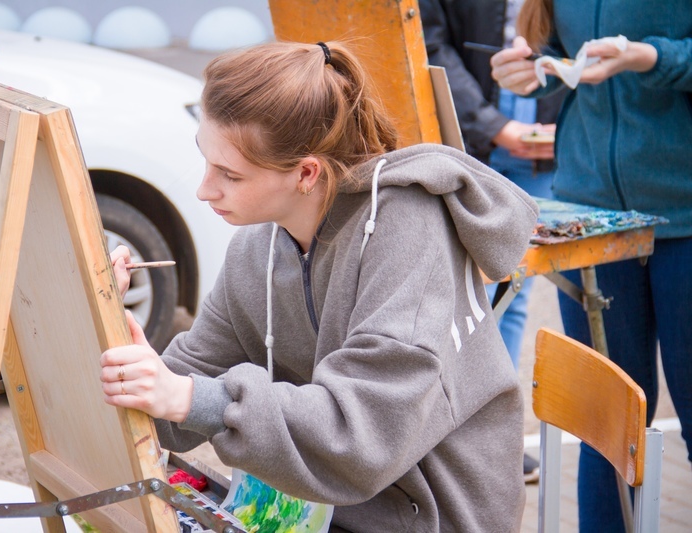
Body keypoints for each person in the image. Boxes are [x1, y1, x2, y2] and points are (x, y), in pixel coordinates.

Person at [100, 40, 538, 531]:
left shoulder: (406, 230)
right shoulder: (258, 246)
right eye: (206, 161)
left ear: (306, 172)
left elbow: (362, 434)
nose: (205, 189)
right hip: (327, 507)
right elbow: (185, 379)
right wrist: (107, 320)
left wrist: (188, 398)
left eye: (229, 174)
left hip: (436, 515)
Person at [491, 2, 692, 531]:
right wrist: (535, 72)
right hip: (592, 215)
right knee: (604, 431)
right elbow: (567, 56)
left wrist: (652, 57)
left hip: (686, 214)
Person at [419, 0, 567, 484]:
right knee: (457, 294)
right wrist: (494, 126)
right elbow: (430, 43)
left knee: (512, 293)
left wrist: (561, 128)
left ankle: (492, 436)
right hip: (467, 141)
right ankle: (448, 435)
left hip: (542, 146)